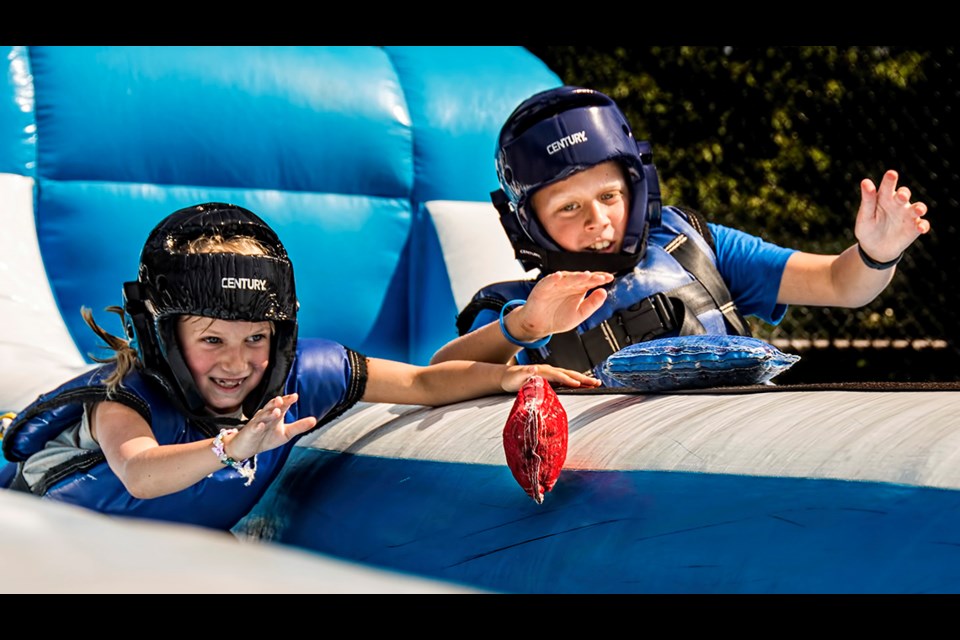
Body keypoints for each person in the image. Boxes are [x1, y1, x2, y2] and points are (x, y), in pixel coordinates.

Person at [0, 202, 599, 531]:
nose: (237, 363)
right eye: (211, 339)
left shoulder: (304, 375)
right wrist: (231, 448)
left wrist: (503, 374)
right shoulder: (126, 397)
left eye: (255, 337)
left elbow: (420, 381)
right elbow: (139, 474)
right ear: (161, 336)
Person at [430, 86, 931, 380]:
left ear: (636, 188)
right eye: (569, 207)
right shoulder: (523, 305)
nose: (597, 220)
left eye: (609, 197)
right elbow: (439, 373)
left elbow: (840, 285)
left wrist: (875, 254)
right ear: (529, 222)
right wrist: (526, 326)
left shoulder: (692, 247)